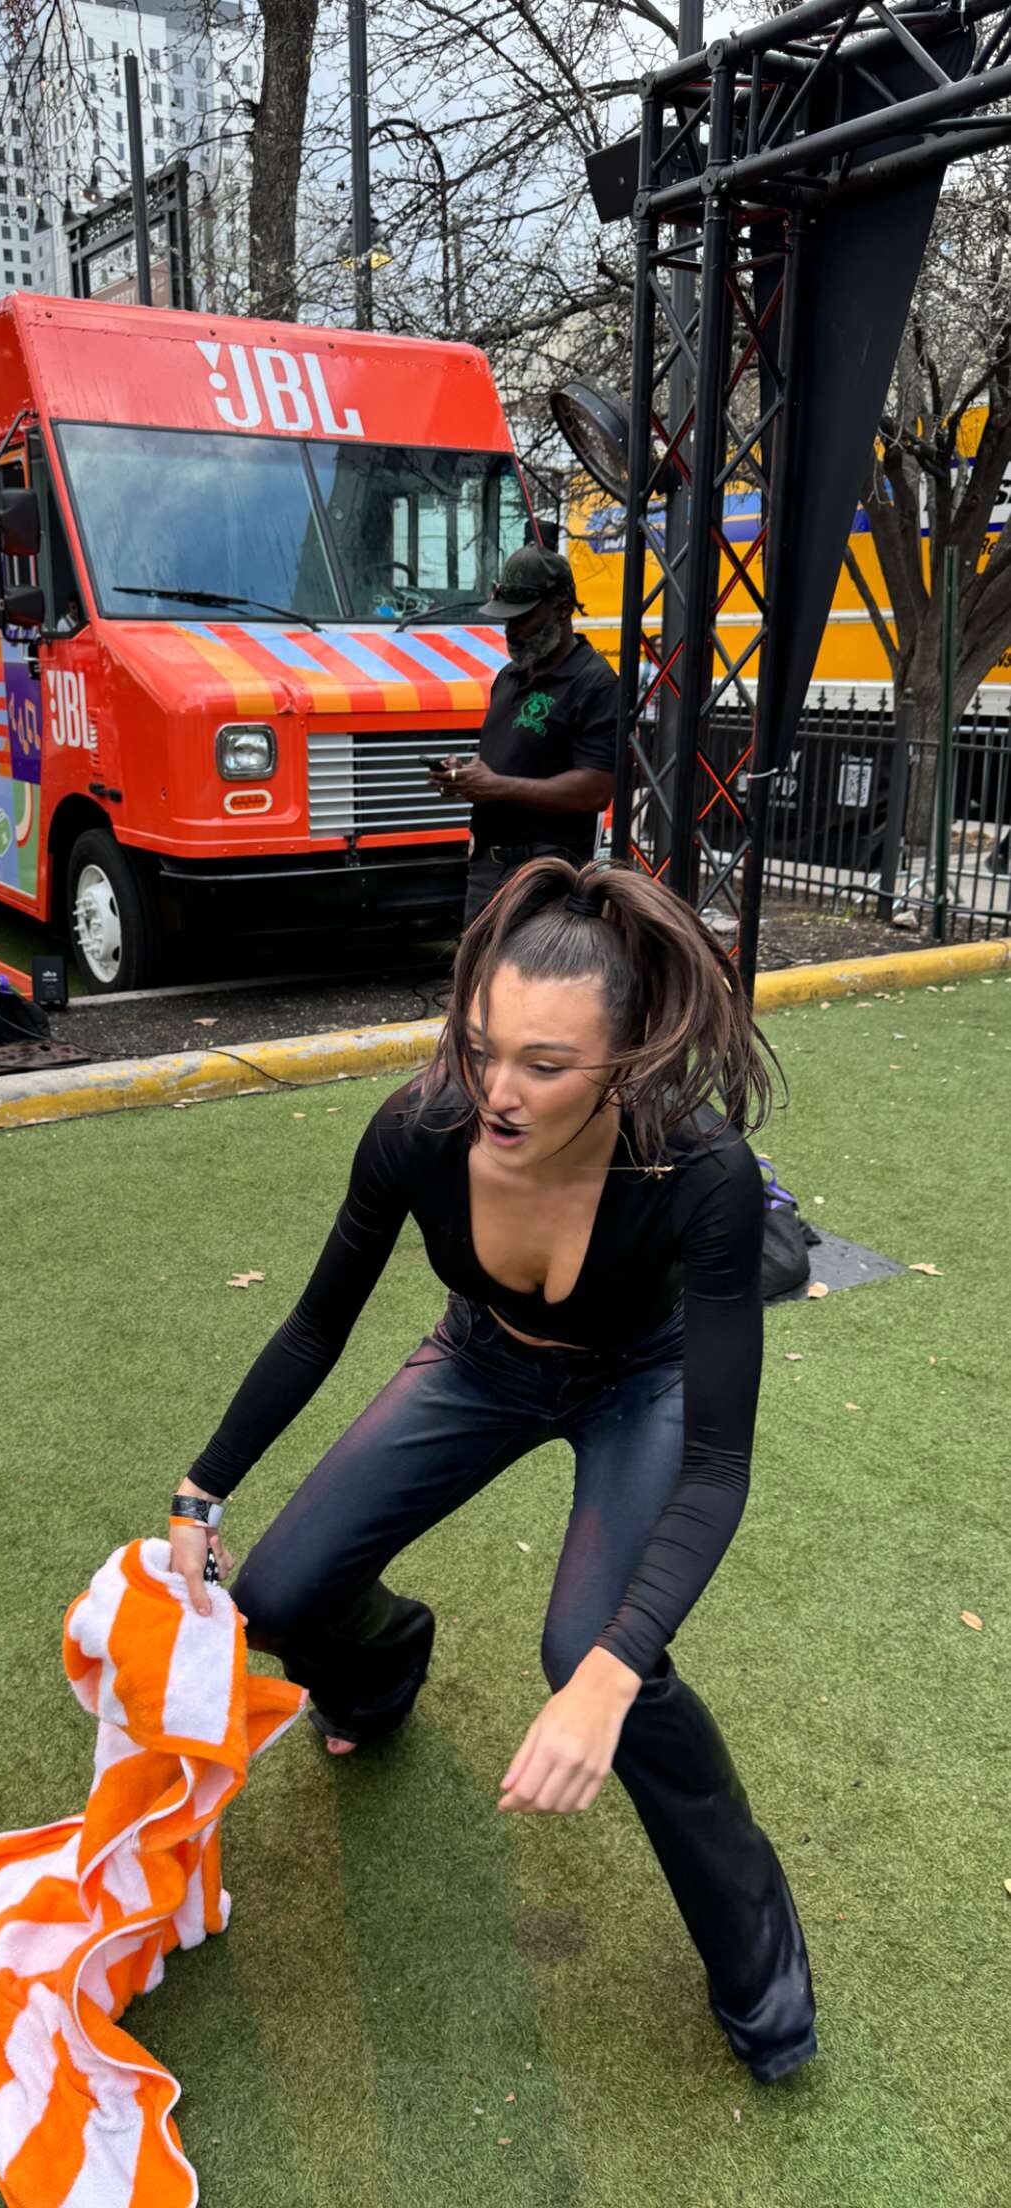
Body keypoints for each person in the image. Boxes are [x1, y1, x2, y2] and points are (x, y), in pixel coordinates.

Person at [168, 859, 818, 2085]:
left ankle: (764, 1970)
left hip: (645, 1384)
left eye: (545, 1064)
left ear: (623, 1064)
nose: (497, 1092)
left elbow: (718, 1465)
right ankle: (380, 1672)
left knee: (595, 1654)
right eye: (481, 1048)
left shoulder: (702, 1173)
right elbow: (315, 1326)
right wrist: (202, 1490)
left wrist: (606, 1679)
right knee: (279, 1597)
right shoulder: (419, 1129)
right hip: (482, 1360)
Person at [428, 546, 617, 927]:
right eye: (505, 618)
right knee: (479, 965)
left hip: (547, 876)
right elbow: (508, 762)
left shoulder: (594, 682)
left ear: (562, 609)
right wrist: (466, 775)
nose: (510, 629)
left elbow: (596, 789)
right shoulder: (508, 677)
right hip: (488, 870)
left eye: (523, 617)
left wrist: (497, 786)